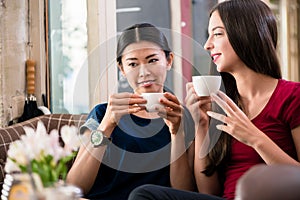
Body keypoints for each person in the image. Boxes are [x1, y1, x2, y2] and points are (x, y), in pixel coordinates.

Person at [128, 0, 300, 200]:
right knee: (146, 194)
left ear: (245, 34)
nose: (207, 45)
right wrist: (201, 125)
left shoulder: (292, 96)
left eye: (217, 34)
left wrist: (255, 138)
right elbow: (208, 192)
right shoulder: (220, 102)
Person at [66, 23, 195, 200]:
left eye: (153, 60)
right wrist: (106, 126)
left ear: (169, 60)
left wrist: (176, 133)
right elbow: (75, 186)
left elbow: (183, 192)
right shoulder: (103, 113)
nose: (144, 72)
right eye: (133, 64)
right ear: (122, 70)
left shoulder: (183, 117)